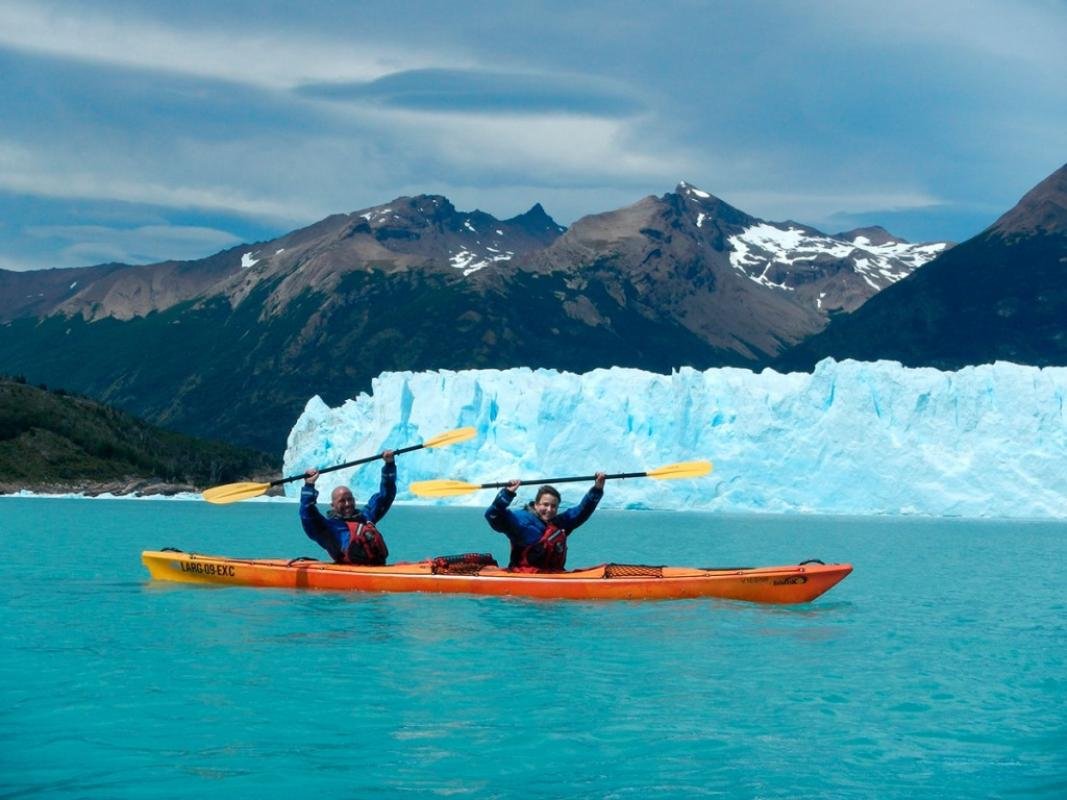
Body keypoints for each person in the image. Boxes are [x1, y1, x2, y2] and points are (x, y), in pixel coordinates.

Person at [485, 473, 606, 572]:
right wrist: (507, 493)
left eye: (554, 506)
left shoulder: (558, 523)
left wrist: (597, 489)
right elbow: (493, 516)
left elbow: (581, 511)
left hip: (553, 575)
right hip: (525, 578)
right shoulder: (521, 520)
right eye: (545, 505)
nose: (549, 510)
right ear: (536, 504)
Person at [299, 450, 396, 565]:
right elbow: (307, 514)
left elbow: (386, 495)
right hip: (350, 573)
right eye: (342, 501)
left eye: (350, 499)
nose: (347, 504)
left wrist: (389, 464)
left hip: (377, 570)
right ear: (333, 506)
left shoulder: (366, 517)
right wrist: (309, 485)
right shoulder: (327, 528)